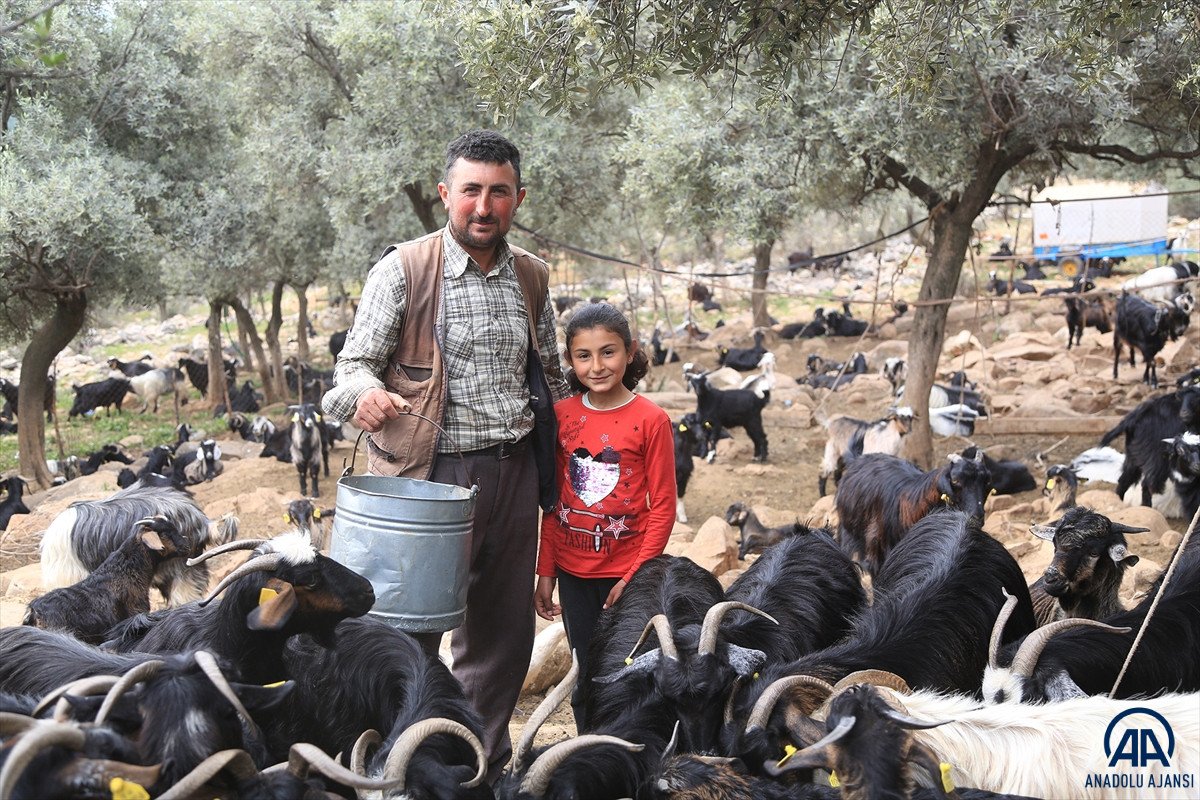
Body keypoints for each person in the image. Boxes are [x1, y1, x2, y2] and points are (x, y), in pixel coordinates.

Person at [322, 129, 569, 782]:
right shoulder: (403, 269)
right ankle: (389, 769)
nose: (483, 207)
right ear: (444, 195)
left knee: (502, 642)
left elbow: (554, 383)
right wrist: (367, 396)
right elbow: (347, 376)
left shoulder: (534, 277)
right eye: (470, 191)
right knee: (404, 636)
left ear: (518, 198)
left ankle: (470, 772)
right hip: (424, 484)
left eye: (498, 192)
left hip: (514, 476)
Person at [533, 302, 676, 729]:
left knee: (630, 671)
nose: (597, 366)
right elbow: (556, 505)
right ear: (569, 361)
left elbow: (663, 506)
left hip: (628, 578)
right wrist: (547, 571)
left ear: (630, 352)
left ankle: (631, 753)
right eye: (583, 355)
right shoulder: (563, 417)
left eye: (608, 352)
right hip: (575, 575)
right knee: (584, 671)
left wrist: (634, 576)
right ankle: (588, 749)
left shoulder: (651, 420)